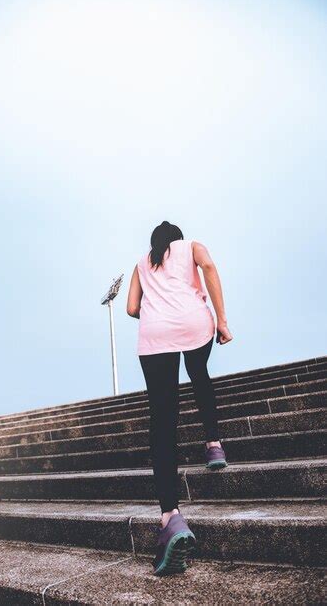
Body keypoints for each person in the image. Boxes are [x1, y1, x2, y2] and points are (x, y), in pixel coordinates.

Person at [126, 220, 233, 576]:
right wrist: (222, 321)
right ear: (178, 238)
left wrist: (158, 312)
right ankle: (214, 444)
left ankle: (170, 515)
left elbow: (130, 308)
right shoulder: (192, 247)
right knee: (199, 375)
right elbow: (210, 268)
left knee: (163, 420)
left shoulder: (142, 262)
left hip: (155, 337)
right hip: (192, 322)